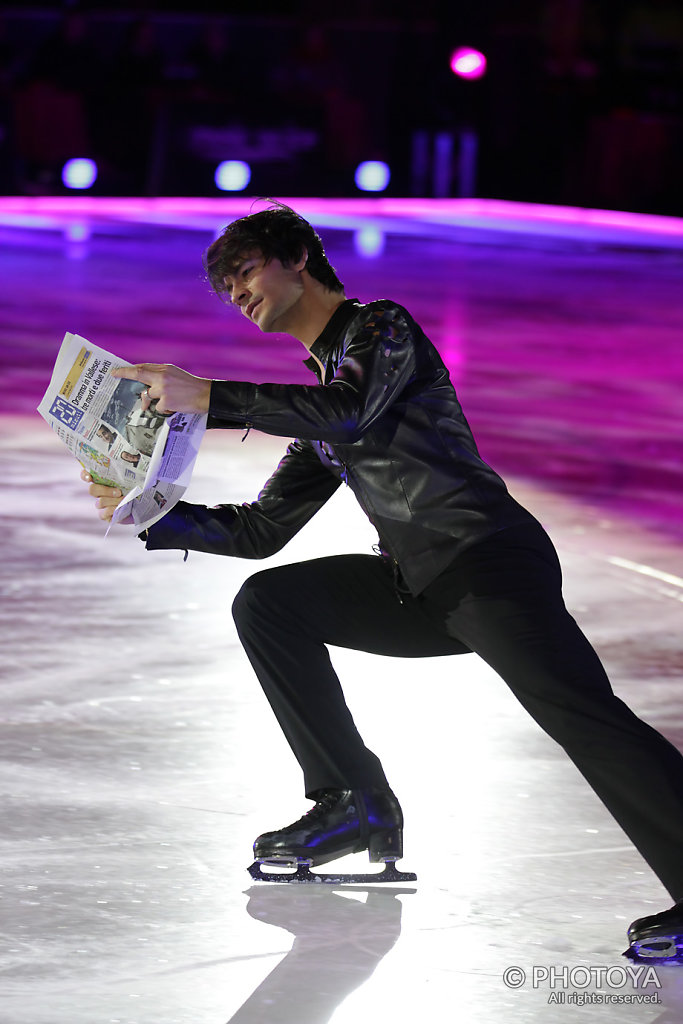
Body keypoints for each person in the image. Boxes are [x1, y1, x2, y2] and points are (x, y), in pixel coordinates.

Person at [84, 202, 683, 961]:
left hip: (485, 562)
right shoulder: (320, 401)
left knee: (583, 717)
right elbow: (262, 530)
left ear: (297, 256)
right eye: (225, 288)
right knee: (271, 604)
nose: (236, 293)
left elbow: (348, 409)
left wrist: (208, 393)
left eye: (244, 271)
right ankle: (352, 802)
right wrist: (149, 514)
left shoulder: (380, 329)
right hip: (420, 585)